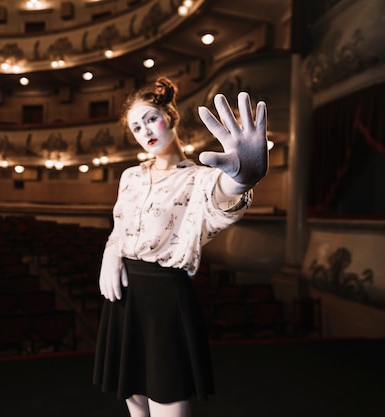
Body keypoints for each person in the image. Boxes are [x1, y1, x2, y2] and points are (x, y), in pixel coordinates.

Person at [92, 77, 268, 417]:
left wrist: (243, 178)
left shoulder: (198, 178)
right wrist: (112, 251)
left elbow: (221, 198)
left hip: (164, 299)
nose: (145, 131)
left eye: (150, 119)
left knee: (165, 402)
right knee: (135, 402)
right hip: (124, 299)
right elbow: (120, 227)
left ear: (171, 116)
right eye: (136, 127)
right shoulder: (130, 176)